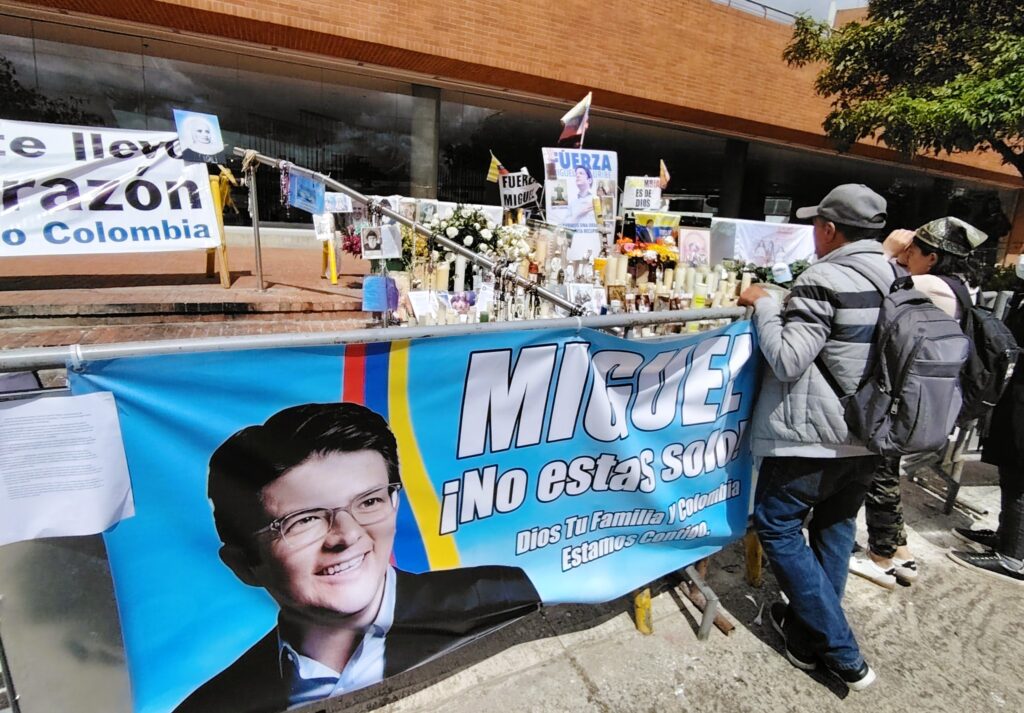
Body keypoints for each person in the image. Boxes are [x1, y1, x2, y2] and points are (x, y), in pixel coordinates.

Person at [174, 402, 540, 713]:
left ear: (395, 505)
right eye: (305, 520)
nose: (348, 536)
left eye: (369, 501)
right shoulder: (215, 703)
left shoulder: (501, 592)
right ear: (243, 564)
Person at [738, 184, 893, 691]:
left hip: (816, 433)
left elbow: (787, 359)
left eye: (815, 225)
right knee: (834, 526)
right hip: (870, 431)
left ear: (829, 229)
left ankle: (843, 651)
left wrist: (763, 304)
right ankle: (806, 640)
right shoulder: (897, 275)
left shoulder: (824, 277)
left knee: (777, 525)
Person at [850, 217, 989, 589]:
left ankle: (879, 556)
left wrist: (885, 252)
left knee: (879, 471)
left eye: (912, 253)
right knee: (887, 472)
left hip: (904, 395)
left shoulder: (925, 284)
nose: (906, 258)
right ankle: (900, 552)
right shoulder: (960, 287)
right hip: (928, 395)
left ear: (932, 258)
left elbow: (869, 290)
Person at [950, 290, 1024, 585]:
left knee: (1019, 477)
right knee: (1011, 471)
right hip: (1016, 396)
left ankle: (1012, 557)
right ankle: (1006, 536)